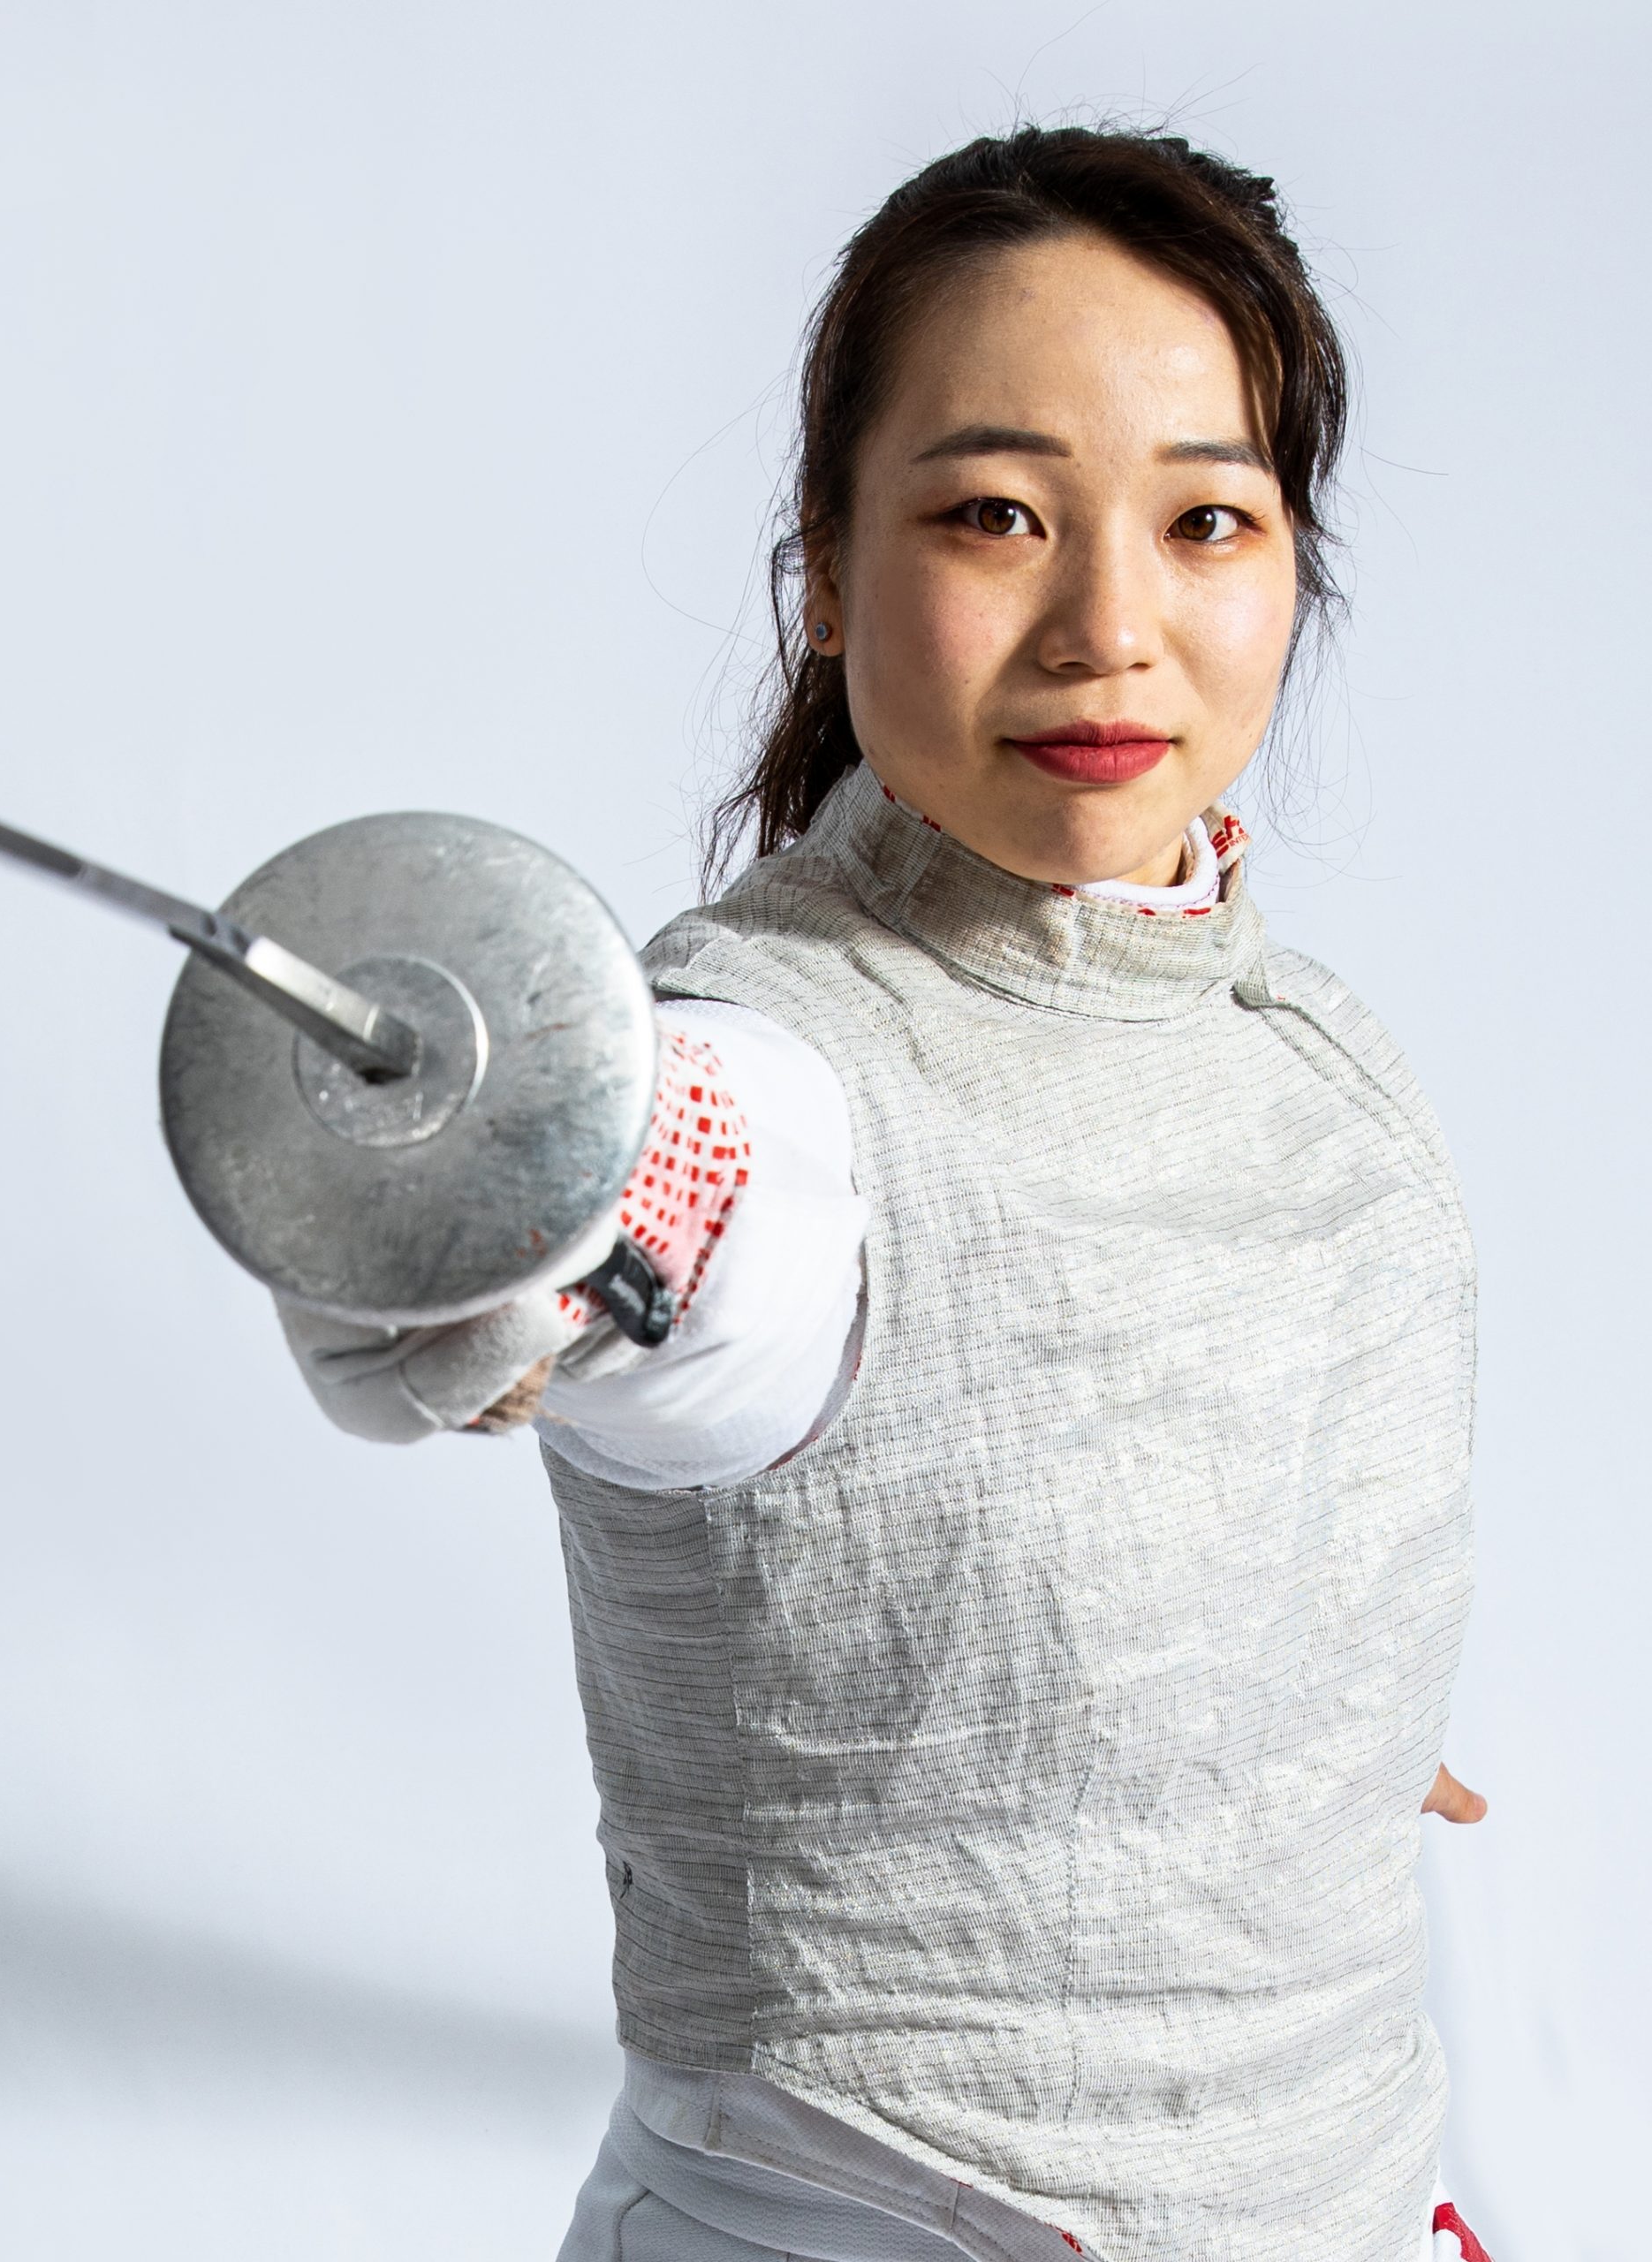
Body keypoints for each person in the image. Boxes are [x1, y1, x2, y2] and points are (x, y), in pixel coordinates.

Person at [281, 126, 1493, 2262]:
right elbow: (673, 1201)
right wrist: (497, 1180)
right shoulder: (780, 1062)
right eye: (992, 514)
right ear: (828, 570)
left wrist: (1300, 1719)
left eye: (1202, 518)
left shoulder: (1312, 1053)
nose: (1106, 626)